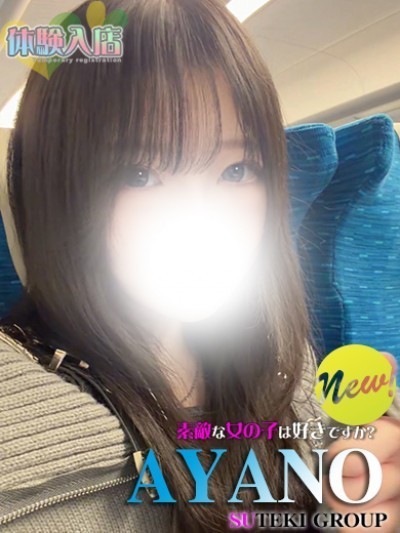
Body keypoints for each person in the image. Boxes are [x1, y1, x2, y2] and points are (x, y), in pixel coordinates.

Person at [0, 0, 399, 531]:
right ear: (56, 193)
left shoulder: (286, 358)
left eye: (237, 169)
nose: (200, 217)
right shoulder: (18, 420)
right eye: (138, 175)